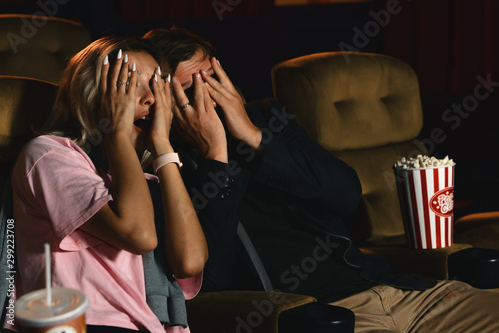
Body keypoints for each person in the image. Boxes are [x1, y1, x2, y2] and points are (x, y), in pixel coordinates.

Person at [143, 26, 499, 332]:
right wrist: (214, 157)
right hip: (326, 316)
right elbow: (211, 280)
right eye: (190, 90)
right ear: (161, 100)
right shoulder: (166, 170)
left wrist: (254, 136)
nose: (210, 99)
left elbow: (346, 195)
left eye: (213, 80)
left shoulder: (267, 119)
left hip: (399, 290)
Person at [7, 35, 208, 333]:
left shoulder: (143, 182)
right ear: (93, 93)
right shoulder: (48, 155)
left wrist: (163, 148)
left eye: (155, 85)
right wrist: (115, 130)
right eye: (128, 83)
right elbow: (138, 235)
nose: (149, 98)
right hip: (81, 322)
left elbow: (189, 262)